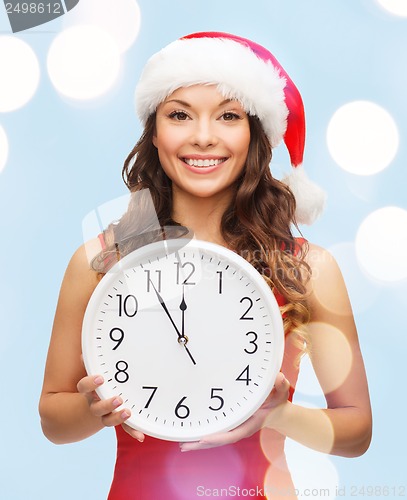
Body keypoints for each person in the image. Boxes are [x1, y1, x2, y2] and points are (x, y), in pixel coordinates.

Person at [39, 32, 372, 499]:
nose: (202, 136)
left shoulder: (307, 268)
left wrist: (278, 414)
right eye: (179, 114)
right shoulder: (100, 262)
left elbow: (357, 432)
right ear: (153, 131)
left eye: (229, 116)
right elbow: (53, 418)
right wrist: (92, 409)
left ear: (255, 132)